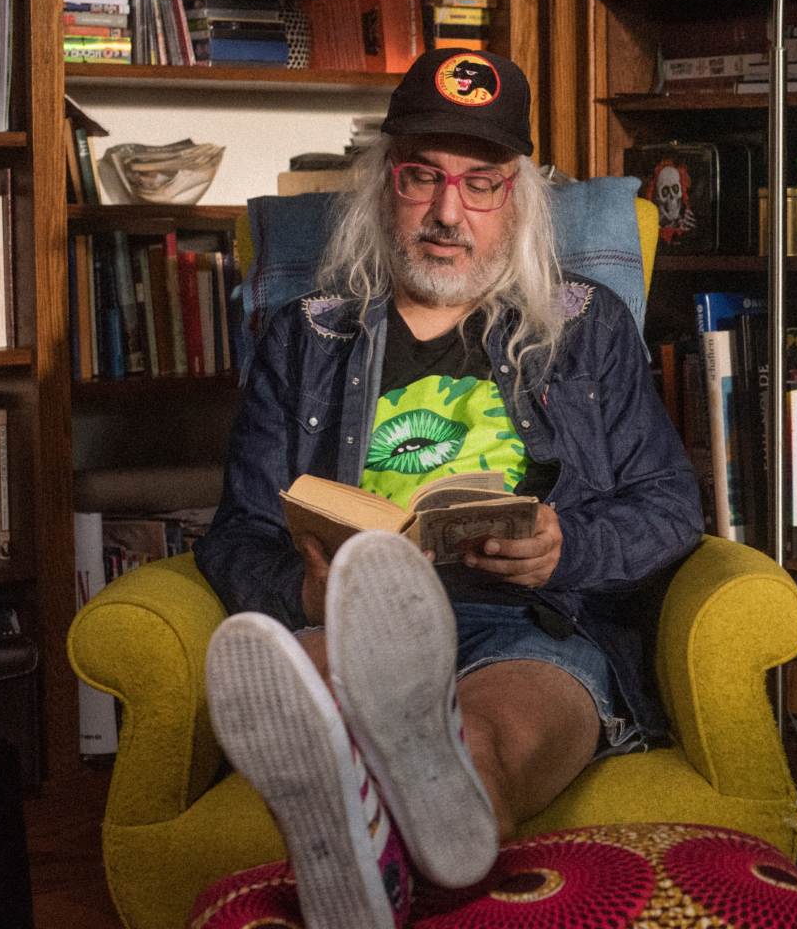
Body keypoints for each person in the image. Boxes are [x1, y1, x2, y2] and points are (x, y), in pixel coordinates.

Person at [195, 47, 704, 929]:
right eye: (421, 178)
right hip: (353, 622)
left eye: (480, 183)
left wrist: (562, 548)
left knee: (474, 744)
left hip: (531, 625)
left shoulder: (588, 327)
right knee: (306, 697)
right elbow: (236, 533)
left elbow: (670, 508)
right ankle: (358, 811)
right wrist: (301, 586)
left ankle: (371, 856)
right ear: (381, 188)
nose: (446, 212)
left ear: (519, 199)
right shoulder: (305, 339)